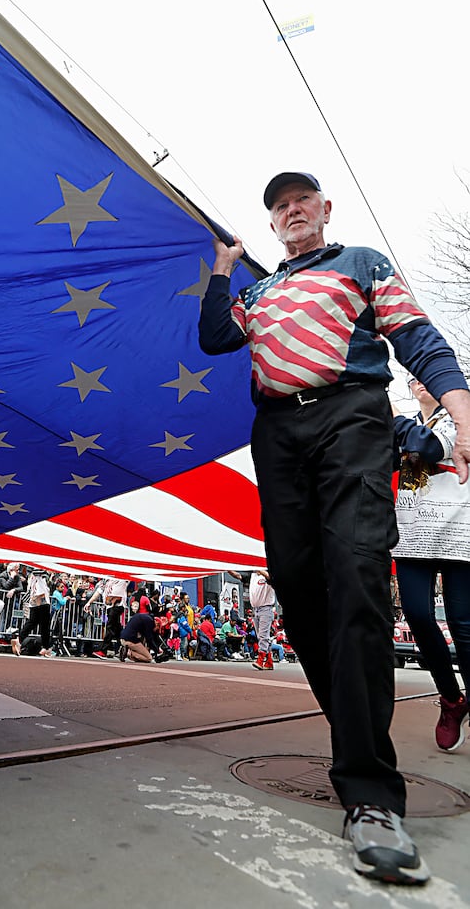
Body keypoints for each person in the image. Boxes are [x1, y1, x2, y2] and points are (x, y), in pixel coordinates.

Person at [199, 170, 470, 886]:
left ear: (324, 210)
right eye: (279, 207)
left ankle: (371, 792)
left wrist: (460, 406)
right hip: (279, 433)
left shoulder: (361, 264)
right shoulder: (257, 294)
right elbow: (213, 337)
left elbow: (415, 334)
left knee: (356, 579)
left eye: (301, 202)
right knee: (296, 584)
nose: (290, 212)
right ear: (273, 225)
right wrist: (222, 272)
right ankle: (354, 726)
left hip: (353, 417)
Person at [392, 375, 470, 751]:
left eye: (426, 375)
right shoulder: (409, 423)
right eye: (413, 378)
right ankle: (452, 700)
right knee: (419, 617)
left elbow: (428, 446)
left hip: (458, 532)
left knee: (462, 623)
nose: (420, 382)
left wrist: (389, 414)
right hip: (412, 534)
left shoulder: (459, 416)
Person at [10, 568, 53, 658]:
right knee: (44, 625)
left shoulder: (32, 577)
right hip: (41, 599)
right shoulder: (40, 575)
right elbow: (39, 572)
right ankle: (46, 647)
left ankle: (20, 639)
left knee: (32, 622)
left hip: (33, 600)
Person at [249, 568, 276, 671]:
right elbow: (239, 576)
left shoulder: (269, 573)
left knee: (263, 635)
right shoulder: (253, 576)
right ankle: (269, 661)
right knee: (261, 636)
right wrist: (230, 570)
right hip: (255, 609)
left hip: (266, 608)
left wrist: (261, 570)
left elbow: (270, 578)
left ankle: (260, 659)